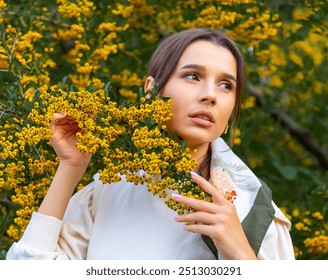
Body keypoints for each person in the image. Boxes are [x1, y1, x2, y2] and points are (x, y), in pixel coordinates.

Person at [6, 28, 294, 260]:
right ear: (151, 92)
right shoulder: (104, 196)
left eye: (226, 85)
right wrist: (70, 167)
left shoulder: (256, 212)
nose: (211, 95)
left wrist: (240, 254)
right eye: (192, 76)